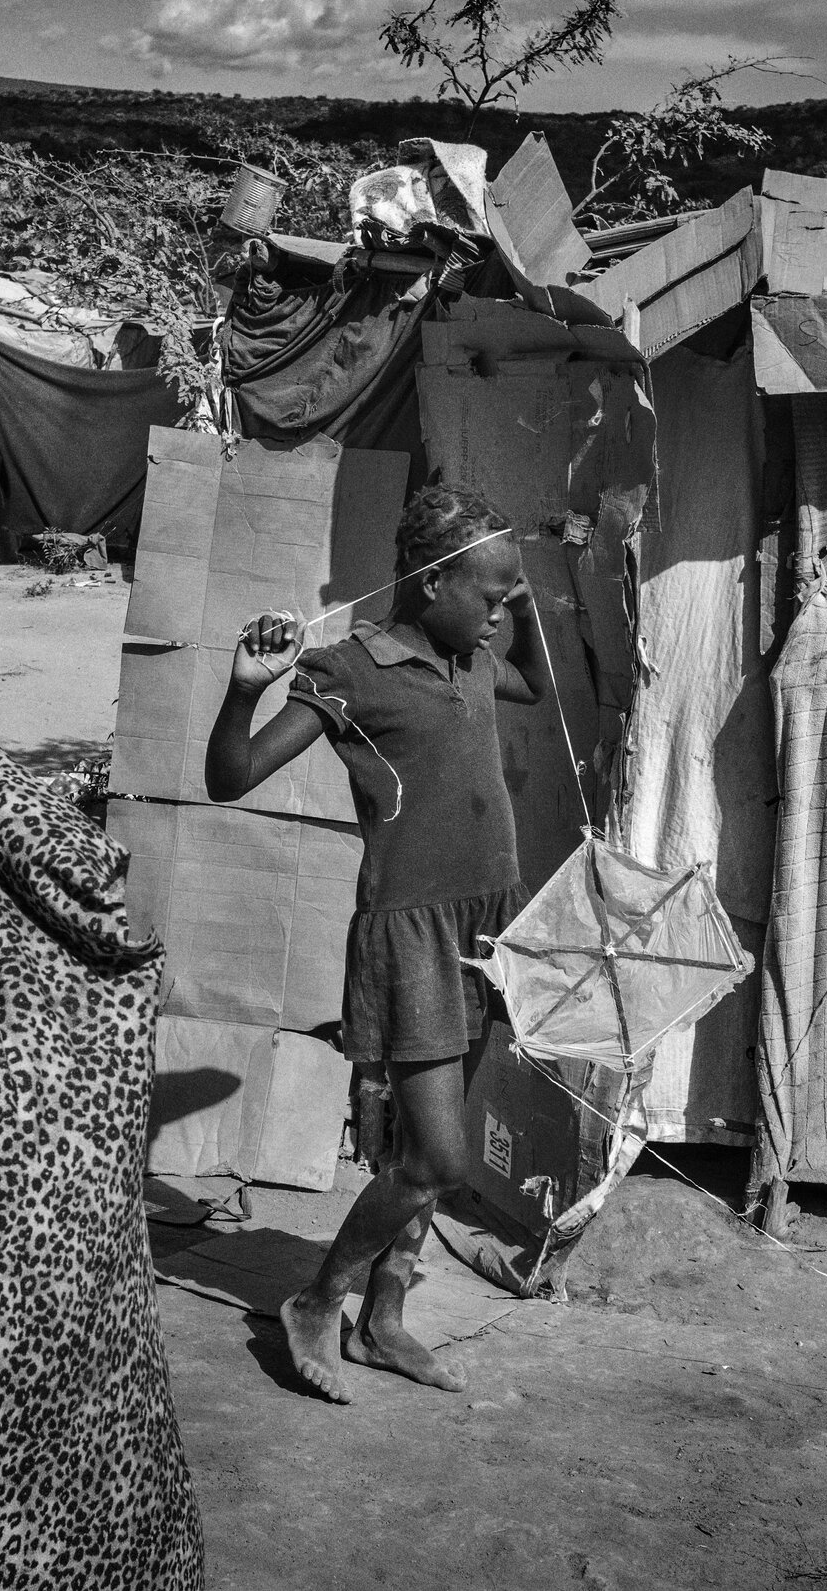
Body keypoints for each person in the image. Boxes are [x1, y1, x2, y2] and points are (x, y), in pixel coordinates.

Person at [205, 483, 544, 1404]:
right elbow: (231, 778)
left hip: (485, 924)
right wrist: (242, 693)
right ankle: (320, 1298)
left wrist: (532, 585)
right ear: (433, 585)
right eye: (491, 594)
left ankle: (385, 1322)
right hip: (413, 937)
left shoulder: (468, 656)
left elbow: (540, 688)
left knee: (429, 1152)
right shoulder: (351, 673)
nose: (502, 613)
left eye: (510, 596)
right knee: (436, 1160)